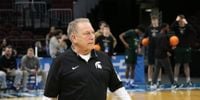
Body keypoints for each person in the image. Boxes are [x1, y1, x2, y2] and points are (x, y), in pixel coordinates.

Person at [44, 18, 131, 100]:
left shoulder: (104, 58)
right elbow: (49, 96)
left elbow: (117, 86)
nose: (92, 37)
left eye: (92, 32)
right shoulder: (60, 61)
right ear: (74, 38)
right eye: (87, 33)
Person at [171, 14, 196, 86]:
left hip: (186, 48)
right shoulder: (176, 27)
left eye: (182, 21)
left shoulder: (188, 27)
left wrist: (187, 23)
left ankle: (188, 81)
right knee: (177, 64)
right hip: (178, 48)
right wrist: (176, 21)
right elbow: (171, 27)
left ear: (184, 21)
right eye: (180, 21)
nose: (181, 22)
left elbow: (194, 31)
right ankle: (175, 81)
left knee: (186, 64)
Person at [151, 23, 177, 88]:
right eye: (167, 27)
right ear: (164, 28)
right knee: (169, 70)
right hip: (163, 55)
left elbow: (154, 45)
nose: (168, 29)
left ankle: (153, 84)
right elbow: (164, 47)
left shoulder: (156, 35)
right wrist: (171, 49)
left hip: (157, 55)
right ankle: (173, 84)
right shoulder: (164, 36)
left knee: (156, 70)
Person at [145, 15, 162, 85]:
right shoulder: (148, 28)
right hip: (150, 49)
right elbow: (144, 38)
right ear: (151, 21)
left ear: (157, 21)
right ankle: (149, 80)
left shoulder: (161, 28)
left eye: (155, 20)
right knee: (150, 65)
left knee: (158, 65)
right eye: (153, 20)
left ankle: (159, 80)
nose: (154, 21)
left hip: (159, 49)